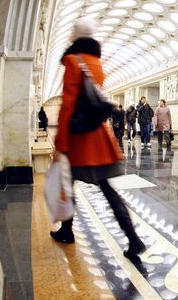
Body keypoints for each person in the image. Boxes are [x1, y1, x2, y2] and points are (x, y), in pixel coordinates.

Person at [51, 18, 145, 263]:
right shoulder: (97, 62)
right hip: (99, 138)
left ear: (76, 36)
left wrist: (60, 143)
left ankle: (66, 230)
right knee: (108, 190)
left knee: (67, 183)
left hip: (79, 139)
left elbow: (69, 104)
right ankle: (133, 238)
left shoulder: (73, 61)